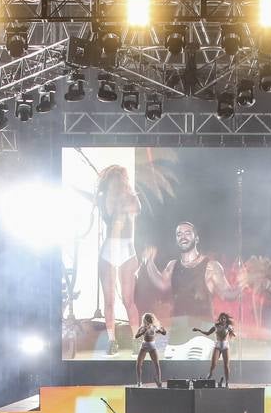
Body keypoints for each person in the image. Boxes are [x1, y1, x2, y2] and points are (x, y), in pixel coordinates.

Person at [138, 222, 244, 334]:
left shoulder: (211, 266)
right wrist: (149, 262)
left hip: (202, 332)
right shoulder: (172, 265)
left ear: (196, 239)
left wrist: (241, 285)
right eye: (179, 234)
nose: (183, 236)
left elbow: (227, 294)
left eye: (187, 233)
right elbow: (162, 284)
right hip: (178, 330)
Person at [96, 166, 142, 354]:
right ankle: (111, 341)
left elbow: (137, 209)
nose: (119, 182)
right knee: (109, 301)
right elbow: (106, 213)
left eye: (121, 179)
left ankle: (136, 340)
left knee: (128, 300)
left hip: (126, 250)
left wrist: (124, 199)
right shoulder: (103, 198)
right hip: (109, 250)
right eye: (115, 179)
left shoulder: (131, 197)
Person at [193, 312, 235, 386]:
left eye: (224, 318)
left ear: (226, 319)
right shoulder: (216, 326)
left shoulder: (228, 326)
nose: (222, 319)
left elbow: (234, 335)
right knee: (213, 364)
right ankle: (209, 376)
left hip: (225, 346)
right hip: (217, 346)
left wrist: (232, 332)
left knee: (226, 365)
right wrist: (199, 330)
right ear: (219, 319)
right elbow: (207, 333)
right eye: (221, 318)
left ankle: (227, 382)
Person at [134, 313, 166, 387]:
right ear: (145, 320)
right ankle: (139, 382)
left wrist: (163, 330)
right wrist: (142, 332)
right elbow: (136, 336)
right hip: (144, 347)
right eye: (148, 319)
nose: (150, 320)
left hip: (152, 347)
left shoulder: (154, 327)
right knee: (138, 364)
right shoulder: (142, 327)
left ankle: (159, 381)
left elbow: (163, 333)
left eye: (151, 319)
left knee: (157, 364)